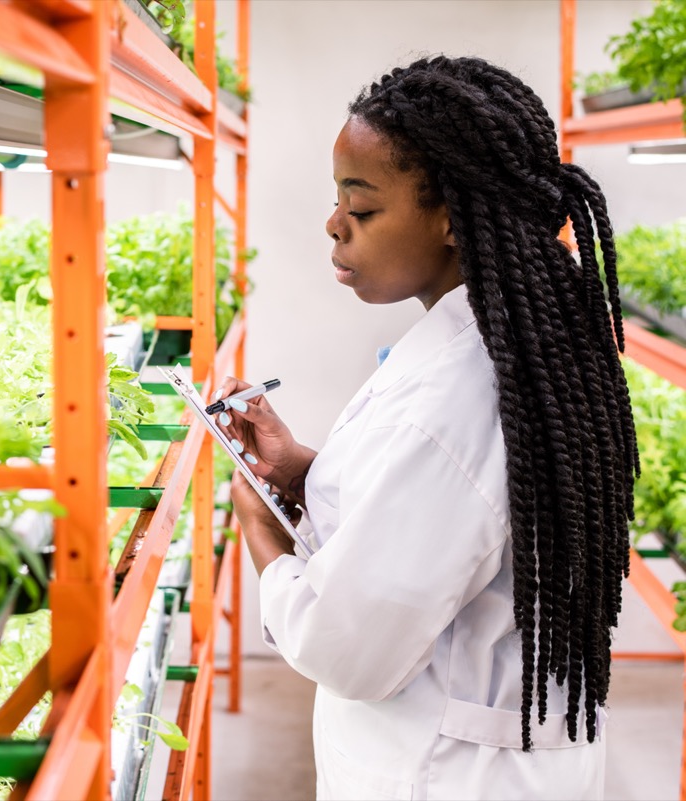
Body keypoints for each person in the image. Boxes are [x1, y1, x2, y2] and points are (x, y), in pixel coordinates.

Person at [217, 56, 637, 800]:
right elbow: (444, 518)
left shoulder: (456, 396)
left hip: (448, 775)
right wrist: (304, 473)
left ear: (449, 217)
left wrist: (260, 525)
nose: (334, 224)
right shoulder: (501, 347)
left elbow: (350, 649)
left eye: (364, 207)